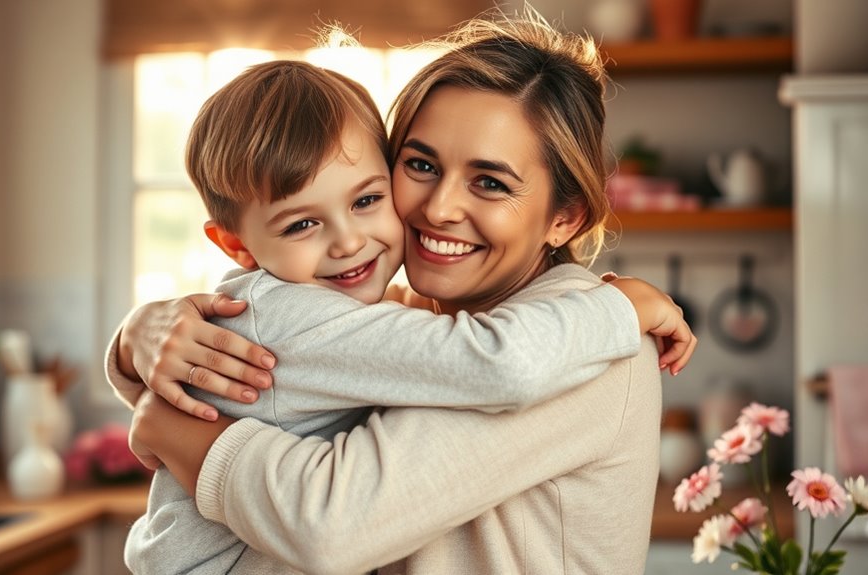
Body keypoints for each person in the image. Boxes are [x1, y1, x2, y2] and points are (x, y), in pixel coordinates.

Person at [113, 10, 698, 574]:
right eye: (421, 165)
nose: (439, 208)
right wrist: (136, 342)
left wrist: (175, 428)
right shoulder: (397, 314)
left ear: (565, 218)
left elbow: (332, 526)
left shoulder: (586, 349)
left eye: (490, 182)